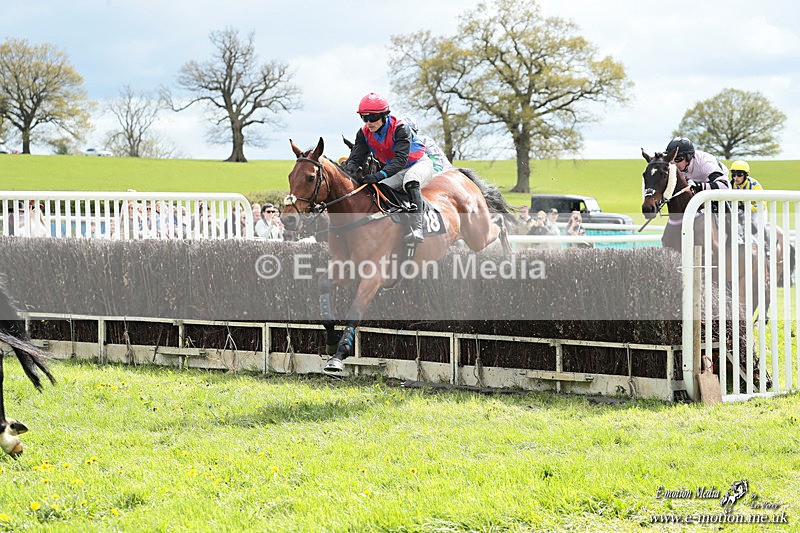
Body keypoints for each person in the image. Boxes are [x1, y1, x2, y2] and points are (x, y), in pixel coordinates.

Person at [342, 92, 435, 244]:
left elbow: (400, 159)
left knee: (411, 180)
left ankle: (417, 227)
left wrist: (378, 175)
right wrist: (348, 170)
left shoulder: (400, 128)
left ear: (384, 115)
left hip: (418, 164)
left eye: (372, 117)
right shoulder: (364, 133)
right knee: (376, 189)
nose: (369, 122)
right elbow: (356, 158)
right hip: (397, 170)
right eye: (364, 118)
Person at [665, 137, 730, 196]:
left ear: (689, 157)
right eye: (671, 159)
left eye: (678, 158)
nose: (674, 163)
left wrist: (697, 186)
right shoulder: (672, 165)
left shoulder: (705, 161)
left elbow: (724, 186)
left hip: (714, 184)